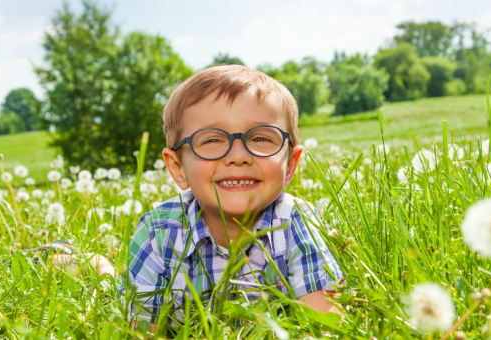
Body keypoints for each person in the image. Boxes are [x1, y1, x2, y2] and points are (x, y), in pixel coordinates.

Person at [123, 65, 343, 332]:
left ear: (290, 166)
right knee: (109, 281)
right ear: (177, 168)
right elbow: (140, 332)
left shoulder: (296, 221)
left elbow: (324, 324)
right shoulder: (158, 233)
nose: (238, 156)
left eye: (261, 137)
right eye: (212, 140)